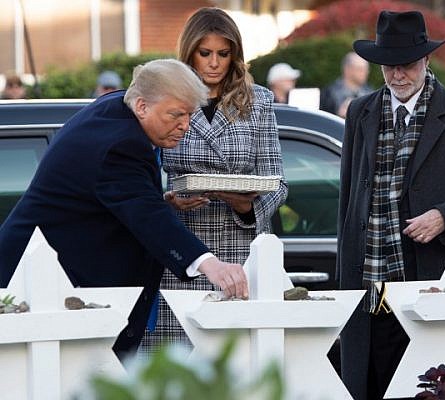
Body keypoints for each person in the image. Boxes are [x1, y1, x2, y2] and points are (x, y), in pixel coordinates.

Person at [0, 59, 248, 360]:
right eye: (176, 115)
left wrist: (159, 200)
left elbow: (121, 194)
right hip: (37, 290)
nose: (185, 126)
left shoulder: (118, 106)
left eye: (189, 115)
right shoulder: (121, 143)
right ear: (142, 106)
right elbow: (148, 216)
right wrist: (210, 264)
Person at [338, 10, 445, 400]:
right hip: (367, 290)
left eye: (407, 65)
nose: (398, 75)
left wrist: (444, 216)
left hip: (428, 287)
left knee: (426, 391)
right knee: (368, 388)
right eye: (388, 66)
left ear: (427, 61)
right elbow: (348, 200)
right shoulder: (360, 112)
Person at [141, 7, 288, 350]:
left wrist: (246, 207)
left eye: (223, 54)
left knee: (235, 364)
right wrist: (168, 201)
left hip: (239, 252)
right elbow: (141, 180)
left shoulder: (259, 101)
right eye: (205, 53)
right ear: (189, 52)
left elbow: (277, 184)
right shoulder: (167, 99)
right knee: (177, 367)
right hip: (180, 252)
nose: (214, 63)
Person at [320, 52, 373, 118]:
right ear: (347, 70)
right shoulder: (329, 94)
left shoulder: (370, 93)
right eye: (360, 69)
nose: (365, 73)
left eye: (366, 70)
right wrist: (339, 116)